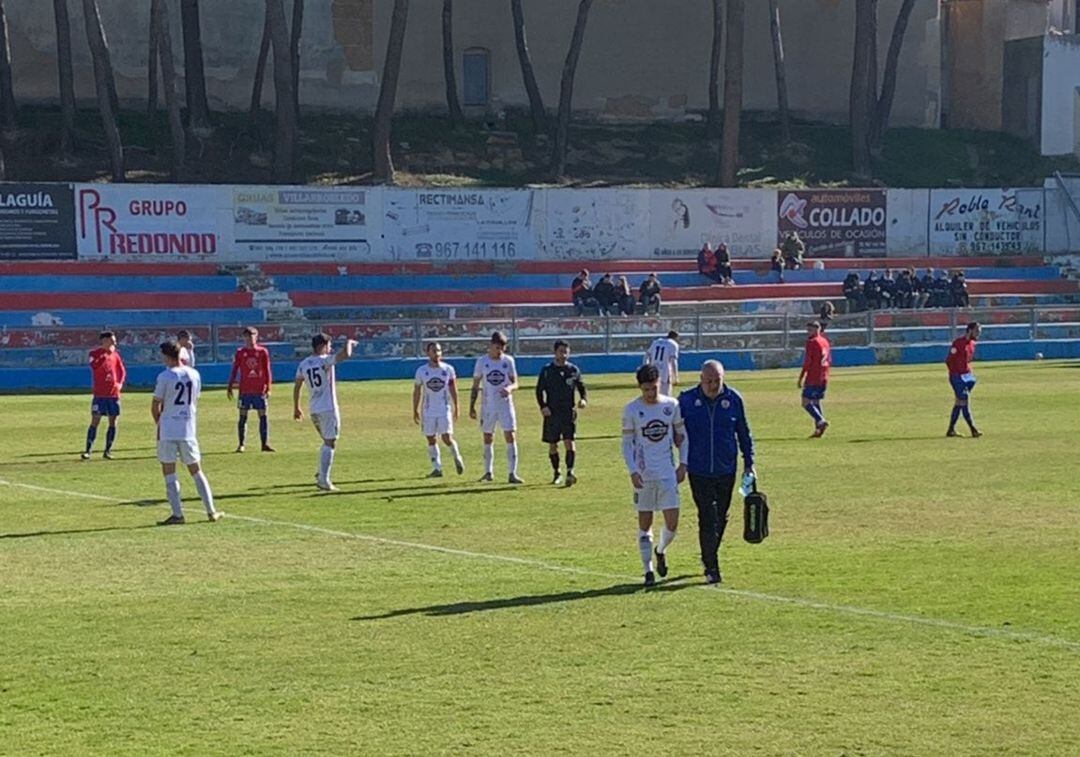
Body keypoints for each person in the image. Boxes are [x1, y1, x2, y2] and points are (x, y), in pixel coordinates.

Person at [677, 360, 755, 584]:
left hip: (726, 468)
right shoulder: (687, 400)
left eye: (717, 381)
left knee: (721, 515)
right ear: (701, 379)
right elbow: (674, 429)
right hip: (699, 469)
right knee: (707, 516)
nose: (712, 385)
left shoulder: (733, 399)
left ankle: (708, 554)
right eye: (709, 381)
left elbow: (743, 432)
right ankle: (712, 566)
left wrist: (749, 462)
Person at [621, 363, 688, 587]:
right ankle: (648, 570)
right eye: (646, 389)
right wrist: (633, 471)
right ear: (640, 388)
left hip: (668, 473)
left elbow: (682, 436)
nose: (651, 394)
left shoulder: (672, 405)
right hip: (644, 475)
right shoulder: (631, 410)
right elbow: (627, 443)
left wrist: (683, 464)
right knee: (645, 522)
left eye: (654, 388)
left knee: (672, 523)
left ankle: (661, 550)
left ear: (660, 383)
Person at [152, 340, 221, 526]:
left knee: (169, 472)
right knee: (196, 471)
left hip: (168, 430)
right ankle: (211, 510)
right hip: (188, 429)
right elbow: (195, 400)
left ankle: (177, 514)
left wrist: (160, 423)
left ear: (167, 356)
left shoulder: (165, 376)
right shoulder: (194, 374)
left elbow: (156, 404)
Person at [294, 333, 358, 491]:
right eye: (329, 346)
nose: (330, 349)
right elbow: (346, 354)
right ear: (322, 346)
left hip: (314, 408)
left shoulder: (304, 364)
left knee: (326, 440)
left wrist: (296, 407)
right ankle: (324, 479)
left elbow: (297, 385)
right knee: (331, 442)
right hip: (328, 408)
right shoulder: (325, 361)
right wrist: (349, 342)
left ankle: (321, 473)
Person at [470, 331, 523, 484]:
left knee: (510, 435)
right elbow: (475, 385)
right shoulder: (482, 362)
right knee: (488, 437)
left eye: (502, 348)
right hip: (488, 406)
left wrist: (510, 388)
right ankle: (488, 472)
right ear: (490, 346)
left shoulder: (508, 361)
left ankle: (512, 473)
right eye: (496, 347)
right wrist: (472, 406)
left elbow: (516, 383)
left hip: (505, 405)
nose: (499, 351)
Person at [536, 340, 588, 486]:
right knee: (553, 444)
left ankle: (570, 471)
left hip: (568, 412)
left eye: (566, 352)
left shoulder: (573, 370)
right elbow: (539, 390)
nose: (564, 355)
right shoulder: (547, 371)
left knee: (569, 442)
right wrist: (543, 406)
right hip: (552, 413)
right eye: (561, 352)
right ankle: (556, 472)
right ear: (555, 352)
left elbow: (582, 387)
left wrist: (583, 399)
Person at [412, 341, 465, 478]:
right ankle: (437, 468)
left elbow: (453, 388)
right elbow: (417, 390)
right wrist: (415, 409)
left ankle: (457, 457)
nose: (437, 354)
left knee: (446, 437)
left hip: (444, 409)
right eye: (434, 351)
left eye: (439, 351)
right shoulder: (422, 371)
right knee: (431, 438)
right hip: (428, 411)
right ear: (428, 353)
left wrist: (457, 406)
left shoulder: (448, 369)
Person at [226, 326, 274, 453]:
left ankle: (264, 444)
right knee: (243, 416)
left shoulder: (263, 352)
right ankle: (241, 444)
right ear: (244, 338)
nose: (249, 338)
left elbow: (267, 370)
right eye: (247, 336)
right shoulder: (240, 352)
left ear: (256, 337)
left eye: (252, 335)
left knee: (263, 415)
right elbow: (235, 369)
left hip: (259, 389)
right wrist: (230, 385)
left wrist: (268, 386)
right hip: (245, 390)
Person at [82, 331, 127, 460]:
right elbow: (94, 366)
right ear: (105, 341)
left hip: (113, 394)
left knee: (113, 422)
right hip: (100, 394)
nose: (115, 343)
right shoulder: (95, 354)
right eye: (112, 340)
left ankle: (107, 450)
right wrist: (105, 355)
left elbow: (122, 371)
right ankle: (88, 451)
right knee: (95, 420)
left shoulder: (116, 355)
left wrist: (119, 384)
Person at [946, 322, 982, 438]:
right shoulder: (958, 343)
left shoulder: (972, 344)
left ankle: (951, 430)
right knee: (964, 400)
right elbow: (949, 361)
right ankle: (973, 429)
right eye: (977, 331)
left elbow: (967, 361)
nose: (978, 334)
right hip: (957, 377)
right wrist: (956, 375)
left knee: (959, 402)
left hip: (967, 376)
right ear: (970, 330)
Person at [797, 320, 832, 438]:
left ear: (817, 329)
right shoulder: (825, 341)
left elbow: (808, 362)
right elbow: (829, 360)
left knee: (805, 402)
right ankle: (819, 430)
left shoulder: (811, 342)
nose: (808, 332)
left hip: (813, 377)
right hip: (824, 376)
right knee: (816, 402)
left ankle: (821, 421)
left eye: (810, 330)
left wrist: (801, 377)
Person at [644, 330, 680, 396]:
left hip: (653, 371)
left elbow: (647, 355)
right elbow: (673, 361)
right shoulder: (673, 344)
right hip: (665, 372)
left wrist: (646, 366)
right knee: (666, 395)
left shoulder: (656, 342)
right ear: (675, 337)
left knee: (653, 393)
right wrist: (676, 376)